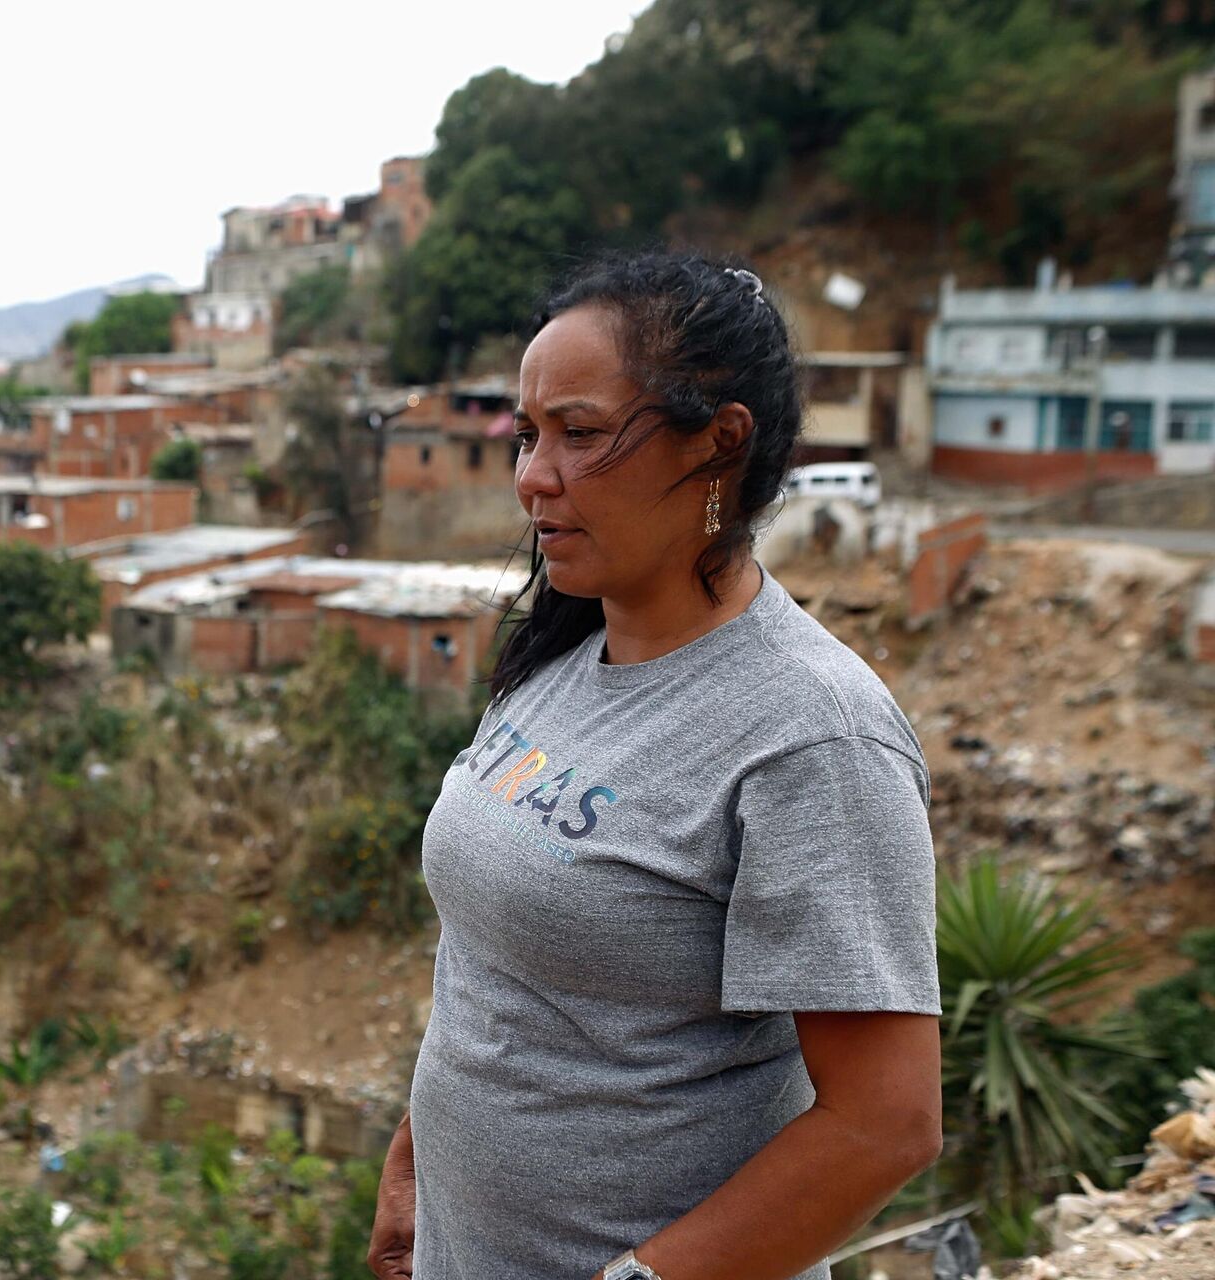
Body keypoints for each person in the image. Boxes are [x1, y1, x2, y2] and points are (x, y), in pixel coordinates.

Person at [367, 252, 943, 1280]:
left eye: (581, 432)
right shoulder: (564, 652)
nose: (532, 474)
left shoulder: (812, 733)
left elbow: (883, 1124)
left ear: (720, 444)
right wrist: (418, 1161)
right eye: (530, 432)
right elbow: (491, 967)